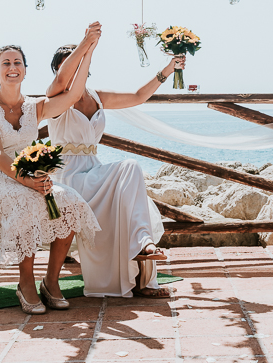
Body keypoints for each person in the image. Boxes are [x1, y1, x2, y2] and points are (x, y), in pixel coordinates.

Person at [46, 32, 185, 298]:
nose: (75, 67)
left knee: (130, 166)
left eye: (79, 61)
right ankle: (139, 260)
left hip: (93, 169)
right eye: (69, 63)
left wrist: (169, 68)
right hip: (68, 176)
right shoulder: (55, 96)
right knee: (123, 183)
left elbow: (138, 96)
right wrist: (88, 44)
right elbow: (64, 81)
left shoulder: (97, 96)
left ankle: (143, 245)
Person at [0, 34, 102, 315]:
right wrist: (28, 181)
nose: (12, 67)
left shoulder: (34, 106)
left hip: (28, 175)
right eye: (5, 63)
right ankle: (25, 283)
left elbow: (72, 94)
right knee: (29, 203)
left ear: (25, 70)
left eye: (17, 62)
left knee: (72, 203)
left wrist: (87, 50)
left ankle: (51, 281)